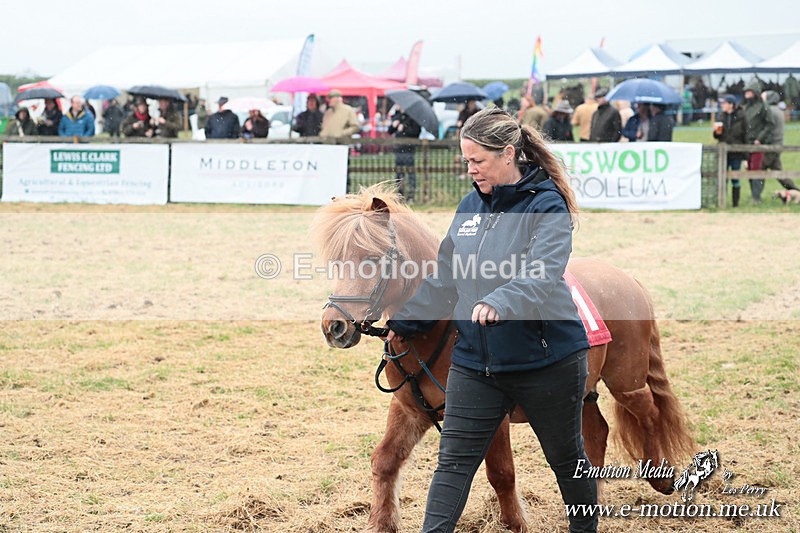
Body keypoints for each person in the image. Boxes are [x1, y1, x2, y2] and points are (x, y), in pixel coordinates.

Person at [385, 107, 596, 532]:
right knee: (453, 465)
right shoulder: (469, 206)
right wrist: (405, 322)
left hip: (545, 362)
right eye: (466, 160)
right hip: (476, 363)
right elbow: (445, 277)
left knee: (568, 461)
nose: (470, 170)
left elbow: (542, 272)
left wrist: (501, 300)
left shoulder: (546, 204)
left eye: (477, 161)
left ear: (508, 154)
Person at [741, 81, 774, 204]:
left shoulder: (763, 106)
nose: (747, 94)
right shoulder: (746, 107)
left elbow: (769, 124)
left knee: (756, 170)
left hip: (758, 143)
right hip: (746, 143)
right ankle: (753, 195)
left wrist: (759, 139)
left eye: (749, 91)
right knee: (749, 170)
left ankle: (756, 197)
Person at [713, 94, 748, 207]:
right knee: (722, 178)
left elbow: (746, 136)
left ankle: (735, 204)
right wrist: (716, 132)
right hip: (724, 152)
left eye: (724, 103)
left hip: (737, 152)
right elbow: (717, 136)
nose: (722, 105)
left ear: (731, 105)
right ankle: (722, 202)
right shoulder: (720, 116)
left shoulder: (742, 117)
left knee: (735, 178)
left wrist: (745, 157)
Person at [762, 90, 798, 191]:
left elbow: (768, 130)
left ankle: (756, 198)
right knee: (779, 173)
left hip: (771, 146)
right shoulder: (777, 110)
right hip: (776, 145)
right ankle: (795, 190)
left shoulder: (770, 111)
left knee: (759, 169)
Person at [387, 105, 422, 202]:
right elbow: (390, 131)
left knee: (410, 172)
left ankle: (411, 195)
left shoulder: (413, 117)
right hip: (399, 148)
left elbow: (416, 132)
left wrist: (405, 128)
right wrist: (394, 126)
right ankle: (399, 194)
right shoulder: (397, 116)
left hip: (409, 148)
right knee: (399, 173)